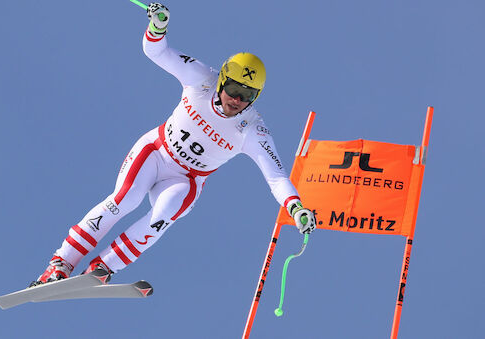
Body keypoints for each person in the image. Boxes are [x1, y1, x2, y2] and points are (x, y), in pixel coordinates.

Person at [30, 2, 316, 286]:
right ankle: (60, 263)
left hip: (187, 179)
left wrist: (296, 208)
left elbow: (276, 177)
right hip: (156, 152)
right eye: (233, 89)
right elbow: (157, 52)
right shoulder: (202, 78)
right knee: (124, 200)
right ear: (222, 80)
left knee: (164, 213)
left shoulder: (252, 128)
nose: (236, 100)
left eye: (247, 95)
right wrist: (158, 27)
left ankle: (102, 269)